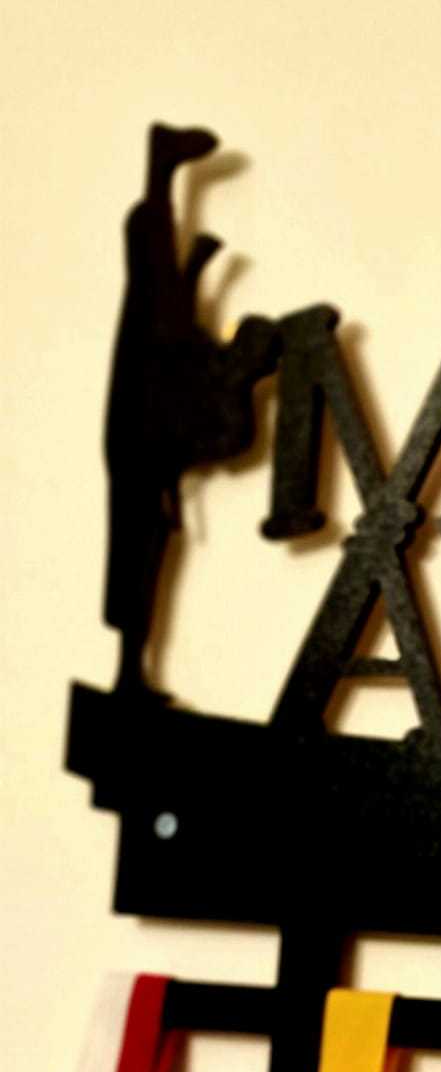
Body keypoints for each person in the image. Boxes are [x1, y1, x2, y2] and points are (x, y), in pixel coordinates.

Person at [103, 124, 278, 697]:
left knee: (141, 553)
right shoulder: (159, 344)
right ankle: (129, 670)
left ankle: (130, 670)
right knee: (136, 555)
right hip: (141, 438)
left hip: (145, 440)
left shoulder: (168, 342)